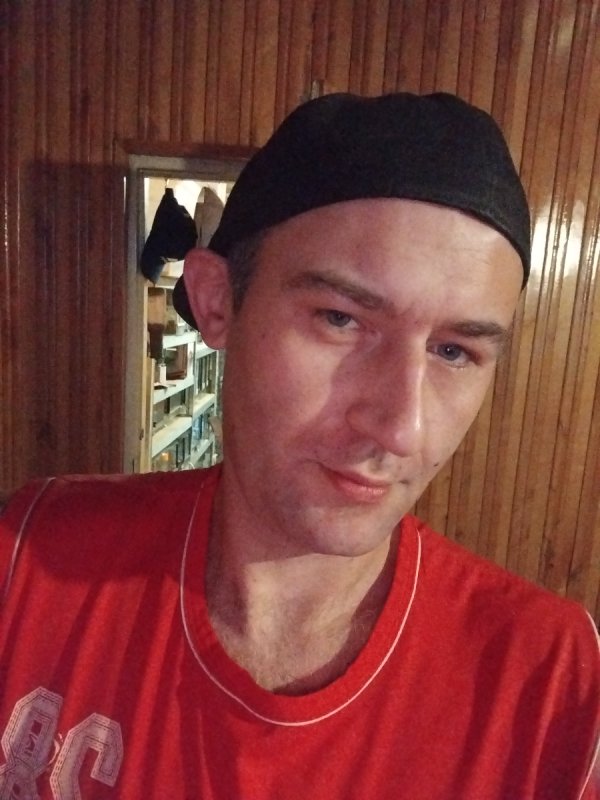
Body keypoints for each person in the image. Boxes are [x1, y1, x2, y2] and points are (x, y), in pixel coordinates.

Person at [0, 93, 598, 799]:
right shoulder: (28, 560)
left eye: (454, 351)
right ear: (217, 302)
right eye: (341, 319)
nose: (402, 428)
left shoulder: (556, 691)